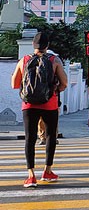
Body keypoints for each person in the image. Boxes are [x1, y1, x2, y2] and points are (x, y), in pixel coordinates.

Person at [11, 31, 68, 188]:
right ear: (47, 46)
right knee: (50, 136)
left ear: (33, 45)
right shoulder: (54, 60)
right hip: (50, 104)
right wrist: (54, 91)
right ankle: (47, 171)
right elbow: (64, 83)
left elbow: (14, 84)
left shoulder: (24, 60)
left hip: (29, 105)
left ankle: (31, 176)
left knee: (30, 138)